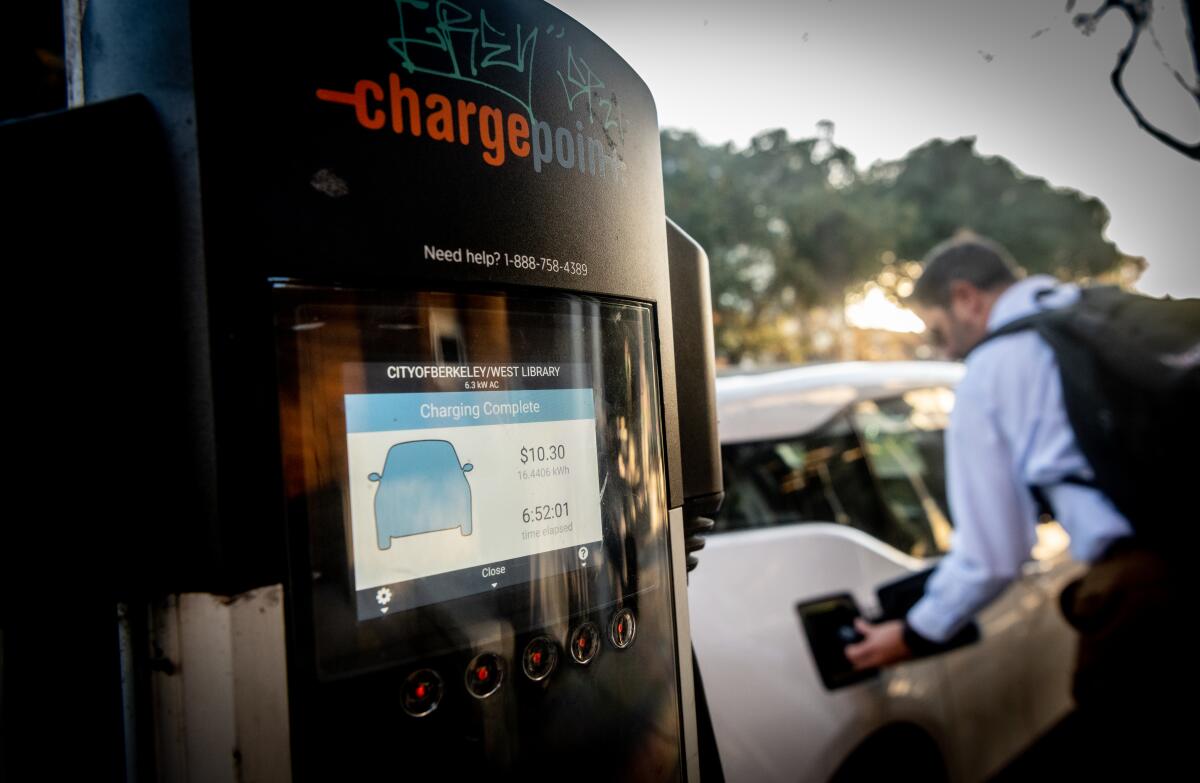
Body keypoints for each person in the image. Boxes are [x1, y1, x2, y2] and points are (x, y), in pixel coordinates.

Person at [844, 232, 1181, 772]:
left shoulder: (992, 370)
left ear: (965, 298)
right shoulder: (1094, 314)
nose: (943, 349)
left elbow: (994, 554)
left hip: (1147, 599)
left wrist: (912, 633)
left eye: (936, 329)